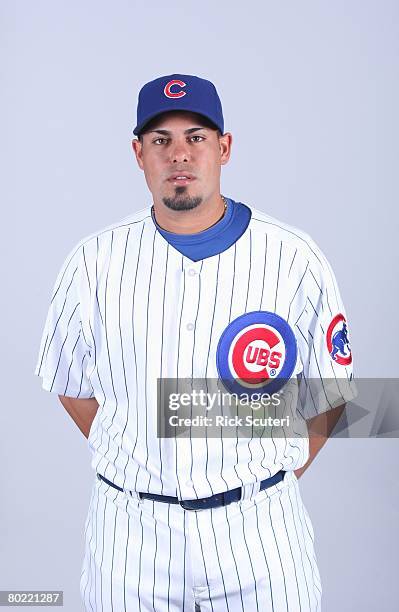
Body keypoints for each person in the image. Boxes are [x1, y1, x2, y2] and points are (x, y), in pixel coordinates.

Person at [34, 73, 357, 611]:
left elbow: (331, 391)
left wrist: (273, 472)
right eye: (161, 141)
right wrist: (138, 450)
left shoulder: (294, 257)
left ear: (224, 148)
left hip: (260, 536)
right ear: (139, 154)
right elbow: (70, 386)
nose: (179, 154)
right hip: (131, 539)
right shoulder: (92, 264)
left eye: (196, 137)